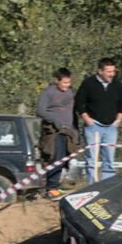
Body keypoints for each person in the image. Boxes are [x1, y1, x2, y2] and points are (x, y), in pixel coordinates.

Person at [74, 57, 122, 184]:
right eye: (109, 72)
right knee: (92, 159)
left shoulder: (116, 84)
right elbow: (79, 102)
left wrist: (119, 119)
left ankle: (106, 186)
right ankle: (92, 186)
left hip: (111, 127)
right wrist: (87, 119)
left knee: (109, 159)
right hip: (93, 126)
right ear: (100, 71)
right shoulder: (88, 83)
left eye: (113, 71)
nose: (111, 74)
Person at [37, 67, 77, 199]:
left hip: (68, 131)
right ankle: (51, 188)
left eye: (69, 82)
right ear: (57, 81)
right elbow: (40, 111)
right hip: (54, 132)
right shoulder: (48, 92)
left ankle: (55, 186)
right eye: (64, 82)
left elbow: (72, 112)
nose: (67, 85)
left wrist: (74, 129)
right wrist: (54, 120)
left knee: (65, 159)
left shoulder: (70, 93)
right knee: (55, 158)